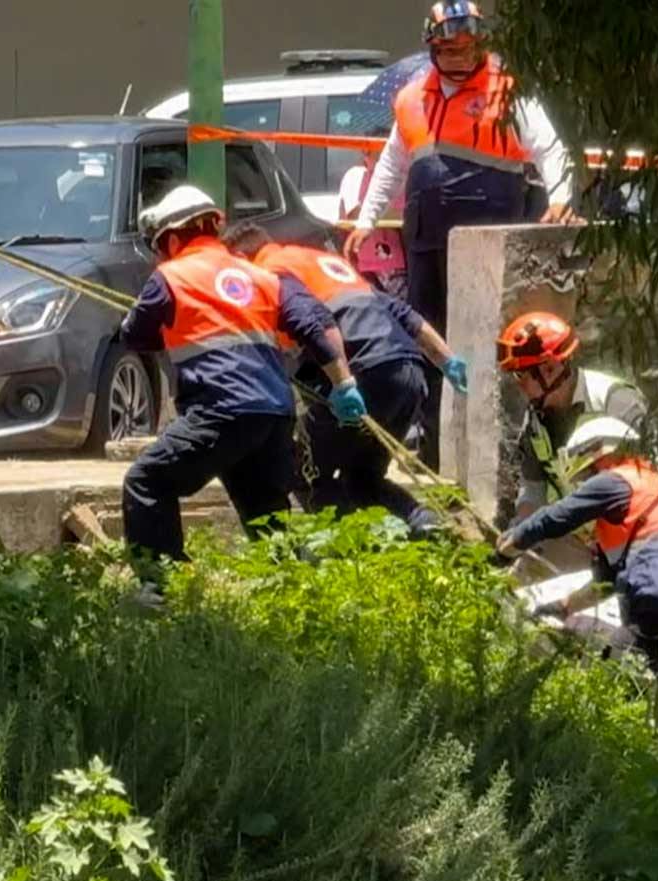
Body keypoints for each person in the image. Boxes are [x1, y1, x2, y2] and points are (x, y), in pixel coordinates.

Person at [344, 1, 575, 470]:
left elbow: (549, 148)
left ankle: (498, 455)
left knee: (488, 344)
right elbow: (391, 165)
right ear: (432, 47)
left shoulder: (508, 90)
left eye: (467, 49)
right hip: (428, 239)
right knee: (432, 342)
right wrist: (366, 221)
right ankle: (434, 452)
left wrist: (560, 197)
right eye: (448, 49)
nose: (458, 58)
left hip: (491, 234)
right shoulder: (412, 97)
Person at [118, 185, 365, 587]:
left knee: (147, 481)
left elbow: (134, 336)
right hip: (273, 416)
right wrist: (344, 385)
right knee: (265, 513)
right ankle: (298, 594)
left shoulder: (170, 277)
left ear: (173, 238)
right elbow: (314, 332)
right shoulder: (262, 278)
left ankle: (160, 589)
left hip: (221, 410)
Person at [225, 224, 466, 534]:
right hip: (408, 374)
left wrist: (343, 385)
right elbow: (404, 314)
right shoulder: (322, 263)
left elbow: (314, 322)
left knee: (305, 474)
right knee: (363, 478)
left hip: (363, 375)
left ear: (242, 257)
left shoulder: (271, 271)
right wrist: (447, 361)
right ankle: (424, 524)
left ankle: (352, 551)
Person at [494, 418, 658, 676]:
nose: (585, 483)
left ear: (598, 456)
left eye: (586, 474)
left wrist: (510, 546)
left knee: (606, 684)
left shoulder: (619, 479)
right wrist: (564, 606)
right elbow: (605, 581)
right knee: (638, 682)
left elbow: (557, 517)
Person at [496, 310, 647, 521]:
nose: (518, 383)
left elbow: (649, 481)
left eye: (521, 374)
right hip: (580, 535)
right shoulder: (535, 423)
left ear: (549, 369)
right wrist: (520, 530)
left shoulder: (617, 402)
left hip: (634, 531)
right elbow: (533, 493)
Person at [336, 126, 406, 297]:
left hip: (393, 263)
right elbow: (351, 216)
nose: (367, 155)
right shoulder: (355, 176)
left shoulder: (396, 181)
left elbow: (402, 215)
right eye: (366, 151)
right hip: (364, 263)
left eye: (373, 151)